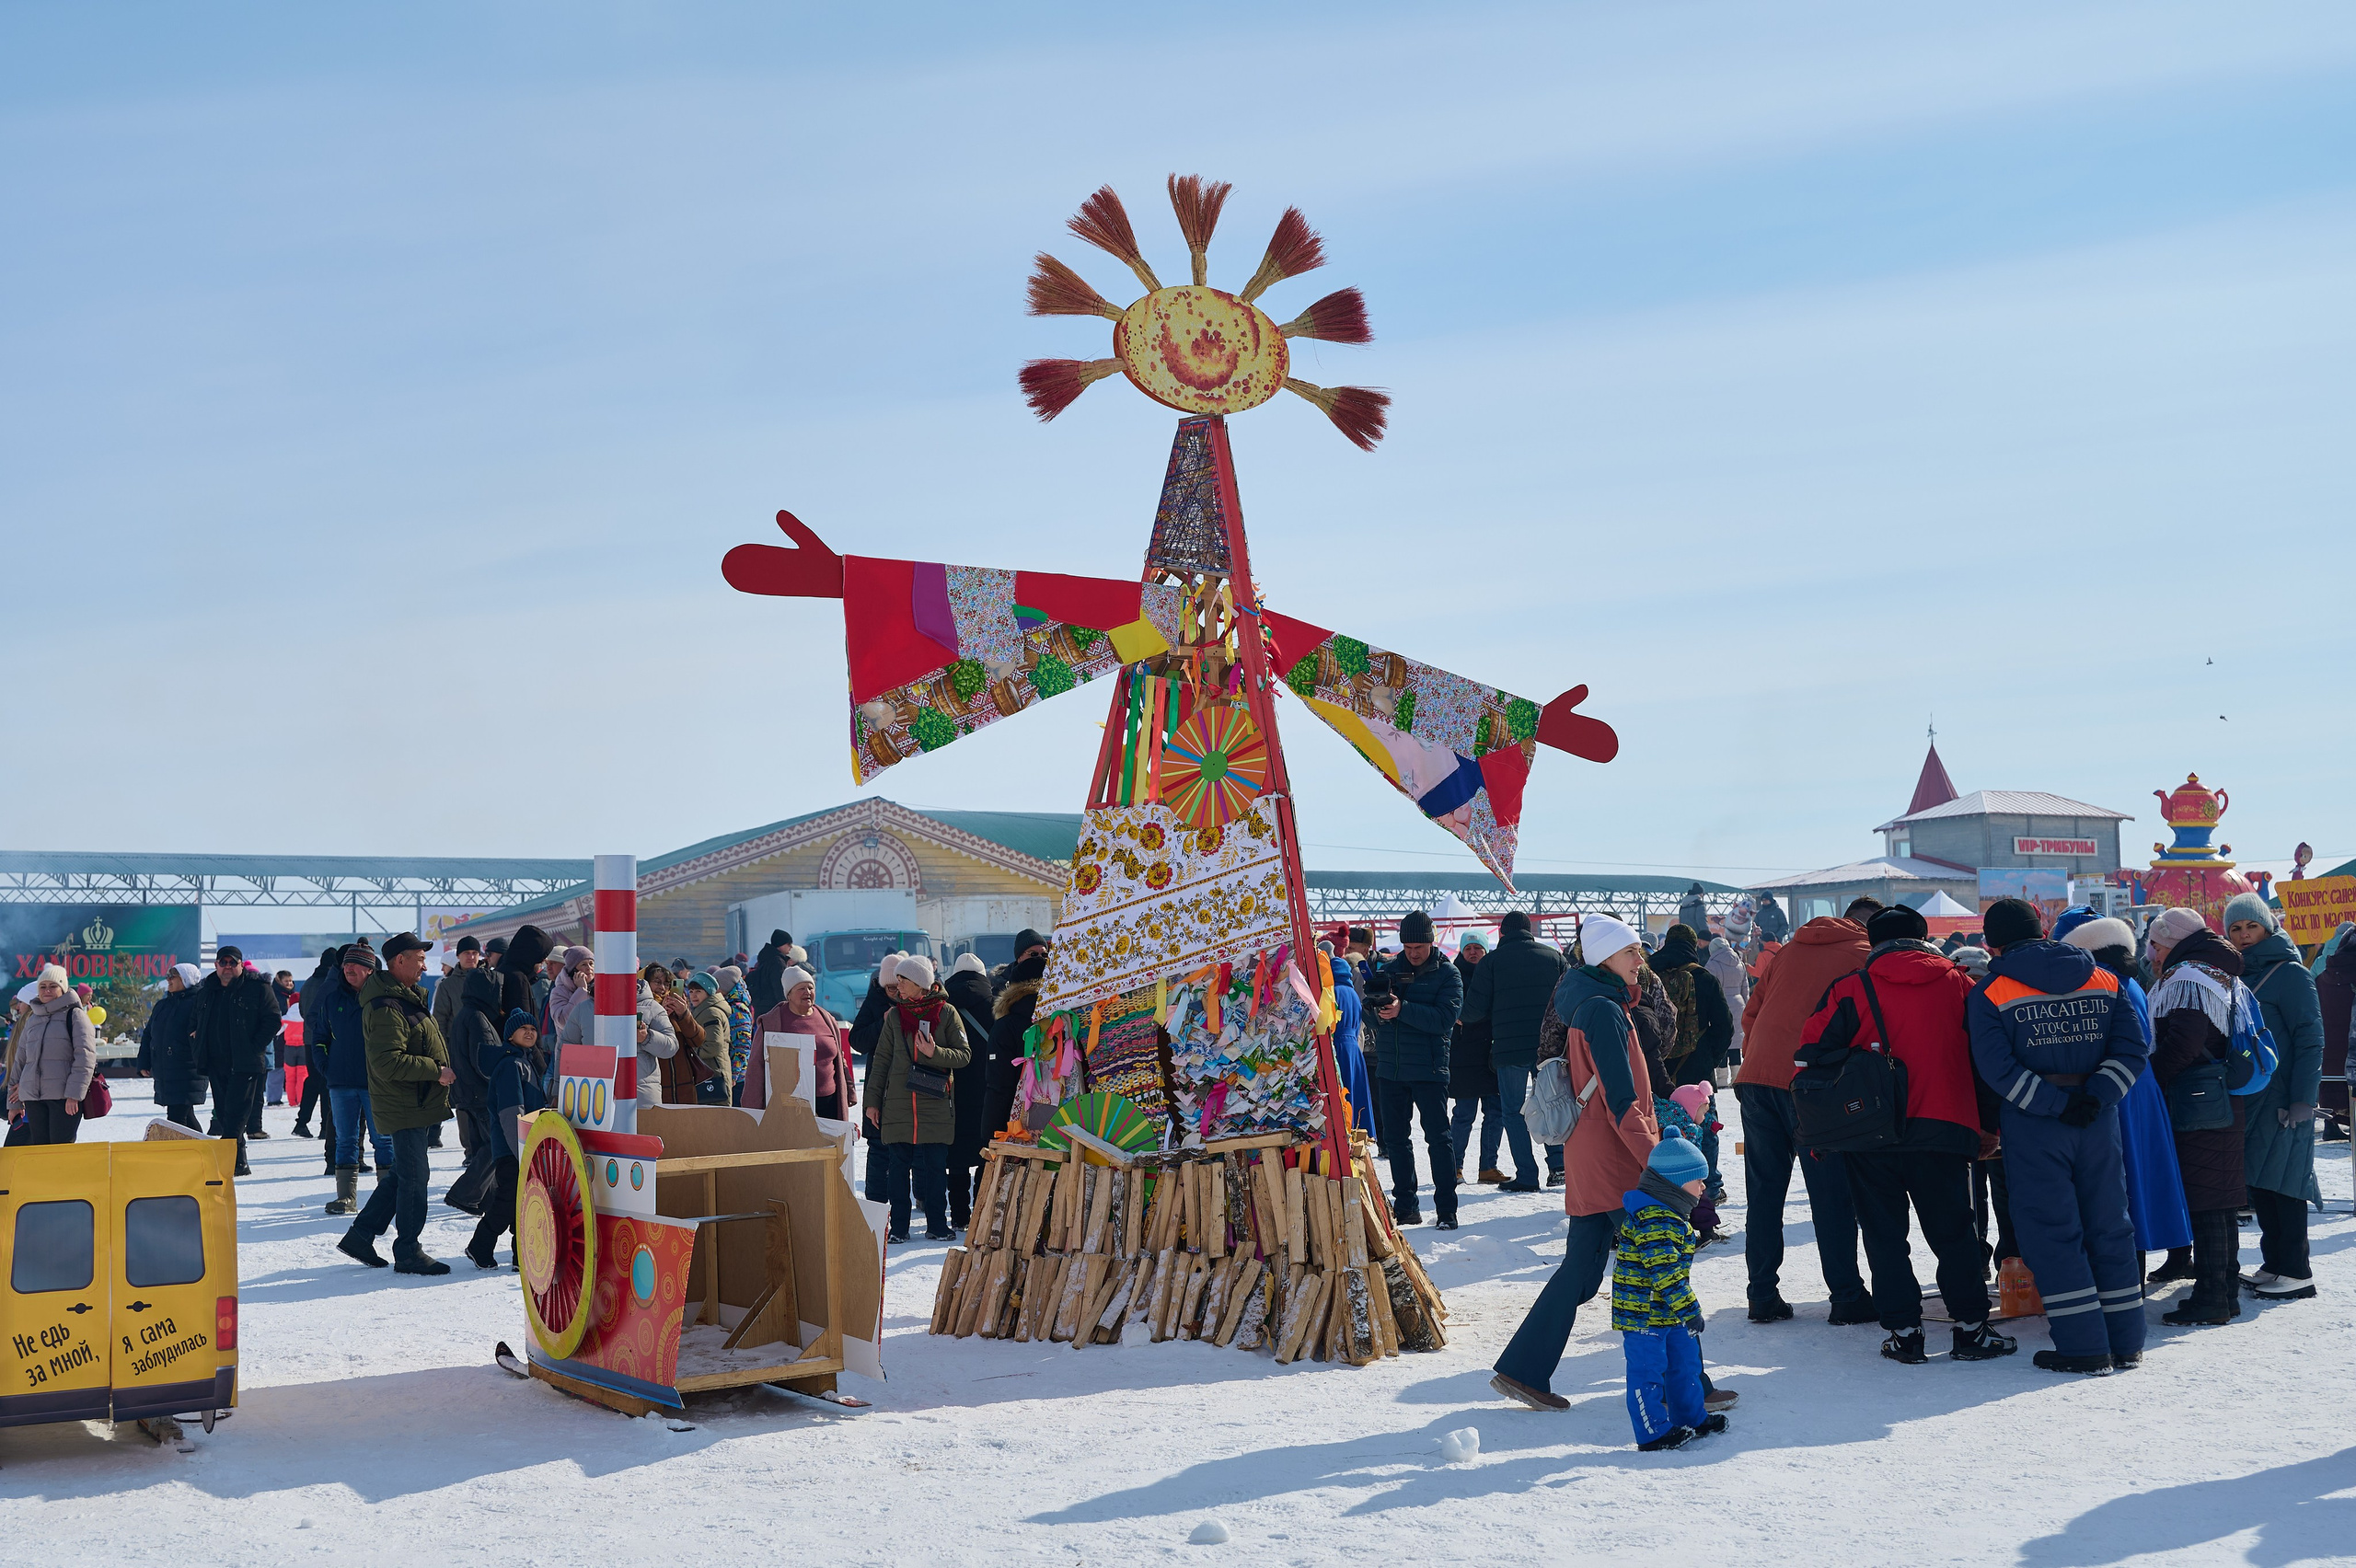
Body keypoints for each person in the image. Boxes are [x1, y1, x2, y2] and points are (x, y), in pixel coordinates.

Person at [1797, 904, 2015, 1366]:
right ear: (1924, 939)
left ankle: (1904, 1333)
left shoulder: (1850, 989)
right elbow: (1988, 1061)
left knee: (1883, 1234)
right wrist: (1988, 1126)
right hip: (1945, 1126)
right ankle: (1972, 1330)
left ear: (1873, 944)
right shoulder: (1962, 985)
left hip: (1870, 1131)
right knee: (1955, 1231)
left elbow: (1810, 1053)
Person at [1968, 896, 2150, 1371]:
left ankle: (2083, 1346)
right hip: (2097, 1119)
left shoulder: (1990, 992)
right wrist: (2096, 1096)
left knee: (2052, 1233)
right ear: (2043, 931)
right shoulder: (2104, 978)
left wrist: (2055, 1104)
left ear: (1992, 943)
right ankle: (2127, 1340)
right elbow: (2134, 1048)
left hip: (2036, 1124)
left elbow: (1997, 1069)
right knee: (2111, 1224)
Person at [1490, 915, 1663, 1410]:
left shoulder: (1587, 1002)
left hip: (1591, 1155)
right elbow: (1621, 1098)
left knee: (1580, 1273)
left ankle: (1523, 1370)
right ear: (1605, 956)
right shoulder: (1604, 1010)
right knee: (1657, 1267)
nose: (1639, 960)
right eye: (1630, 951)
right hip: (1617, 1160)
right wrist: (1656, 1158)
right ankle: (1686, 1380)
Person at [1734, 898, 1876, 1324]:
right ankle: (1847, 1296)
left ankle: (1761, 1294)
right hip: (1813, 1086)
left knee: (1764, 1192)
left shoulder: (1790, 949)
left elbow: (1751, 1015)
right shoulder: (1865, 956)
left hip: (1756, 1077)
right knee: (1831, 1194)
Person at [2053, 912, 2191, 1262]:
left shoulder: (2099, 981)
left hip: (2114, 1088)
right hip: (2140, 1088)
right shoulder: (2127, 978)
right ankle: (2161, 1258)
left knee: (2120, 1182)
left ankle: (2130, 1274)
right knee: (2144, 1176)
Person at [2142, 909, 2250, 1327]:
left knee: (2208, 1202)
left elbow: (2184, 1043)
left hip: (2197, 1098)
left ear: (2172, 940)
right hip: (2216, 1095)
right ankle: (2225, 1292)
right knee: (2219, 1199)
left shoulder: (2188, 977)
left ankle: (2211, 1298)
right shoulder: (2214, 969)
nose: (2151, 951)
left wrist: (2151, 1080)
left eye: (2155, 942)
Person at [2222, 892, 2323, 1301]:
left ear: (2268, 926)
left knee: (2287, 1181)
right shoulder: (2238, 973)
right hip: (2254, 1095)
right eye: (2236, 929)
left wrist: (2303, 1098)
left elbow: (2310, 1038)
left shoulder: (2291, 973)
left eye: (2251, 926)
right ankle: (2274, 1263)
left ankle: (2297, 1270)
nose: (2245, 935)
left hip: (2284, 1098)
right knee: (2262, 1179)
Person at [337, 932, 457, 1275]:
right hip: (404, 1104)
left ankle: (361, 1235)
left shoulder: (401, 998)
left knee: (405, 1173)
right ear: (398, 961)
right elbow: (388, 1061)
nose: (424, 965)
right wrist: (437, 1072)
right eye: (419, 958)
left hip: (411, 1102)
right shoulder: (387, 1005)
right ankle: (408, 1250)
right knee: (415, 1178)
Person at [1614, 1135, 1728, 1452]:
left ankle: (1691, 1416)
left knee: (1685, 1363)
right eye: (1698, 1180)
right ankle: (1652, 1432)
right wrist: (1690, 1309)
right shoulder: (1656, 1219)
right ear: (1675, 1183)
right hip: (1643, 1314)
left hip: (1668, 1311)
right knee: (1648, 1372)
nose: (1703, 1187)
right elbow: (1664, 1273)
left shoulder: (1671, 1215)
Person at [863, 955, 971, 1242]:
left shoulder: (947, 1014)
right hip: (898, 1105)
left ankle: (937, 1225)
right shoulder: (896, 1017)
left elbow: (964, 1055)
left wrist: (934, 1053)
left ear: (921, 984)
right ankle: (899, 1228)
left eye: (903, 981)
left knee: (935, 1169)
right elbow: (881, 1062)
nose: (898, 987)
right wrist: (872, 1102)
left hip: (934, 1103)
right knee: (897, 1171)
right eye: (897, 981)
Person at [1370, 911, 1463, 1229]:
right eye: (1408, 946)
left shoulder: (1448, 975)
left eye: (1419, 946)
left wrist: (1402, 1009)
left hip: (1429, 1069)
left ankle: (1447, 1211)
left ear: (1431, 941)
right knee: (1396, 1140)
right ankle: (1406, 1206)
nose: (1413, 953)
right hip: (1391, 1069)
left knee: (1439, 1139)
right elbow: (1372, 1018)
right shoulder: (1388, 970)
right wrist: (1378, 1011)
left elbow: (1443, 1020)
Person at [1461, 910, 1565, 1193]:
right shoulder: (1554, 957)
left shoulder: (1492, 961)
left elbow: (1475, 1008)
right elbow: (1568, 1000)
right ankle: (1559, 1167)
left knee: (1513, 1111)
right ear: (1529, 931)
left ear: (1502, 934)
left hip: (1509, 1049)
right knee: (1552, 1105)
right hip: (1549, 1048)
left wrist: (1456, 1016)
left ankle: (1527, 1175)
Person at [188, 946, 284, 1177]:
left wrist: (254, 1046)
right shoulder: (207, 989)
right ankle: (237, 1162)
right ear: (216, 965)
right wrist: (196, 1037)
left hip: (245, 1062)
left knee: (237, 1111)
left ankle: (233, 1160)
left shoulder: (258, 987)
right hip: (214, 1062)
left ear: (241, 965)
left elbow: (273, 1020)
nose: (228, 967)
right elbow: (194, 1020)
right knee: (222, 1112)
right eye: (224, 963)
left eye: (233, 963)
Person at [314, 940, 391, 1214]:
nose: (349, 968)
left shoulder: (384, 998)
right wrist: (326, 1065)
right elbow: (320, 1036)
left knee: (383, 1139)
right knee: (345, 1139)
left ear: (370, 969)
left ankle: (387, 1197)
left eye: (356, 964)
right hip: (341, 1083)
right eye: (346, 964)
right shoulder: (333, 998)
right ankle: (346, 1197)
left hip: (377, 1082)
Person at [467, 1009, 547, 1269]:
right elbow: (512, 1112)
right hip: (514, 1148)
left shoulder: (526, 1062)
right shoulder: (511, 1065)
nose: (529, 1032)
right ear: (509, 1035)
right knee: (509, 1200)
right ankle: (480, 1245)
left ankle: (519, 1256)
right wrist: (521, 1150)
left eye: (533, 1029)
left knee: (522, 1201)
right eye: (523, 1028)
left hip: (526, 1146)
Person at [558, 960, 677, 1117]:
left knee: (640, 1140)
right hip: (594, 1097)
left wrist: (647, 1037)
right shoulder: (583, 1009)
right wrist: (559, 1090)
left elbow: (671, 1047)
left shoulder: (651, 1007)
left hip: (641, 1098)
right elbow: (566, 1050)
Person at [441, 966, 507, 1216]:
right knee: (495, 1145)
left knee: (482, 1147)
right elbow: (486, 1061)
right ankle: (464, 1194)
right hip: (481, 1094)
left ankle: (482, 1200)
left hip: (467, 1093)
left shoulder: (465, 1014)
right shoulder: (478, 1018)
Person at [5, 966, 97, 1145]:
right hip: (33, 1099)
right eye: (43, 986)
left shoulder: (75, 1015)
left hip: (63, 1099)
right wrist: (14, 1104)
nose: (47, 990)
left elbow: (85, 1059)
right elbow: (20, 1061)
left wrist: (74, 1095)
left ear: (62, 989)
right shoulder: (33, 1019)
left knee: (60, 1153)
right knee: (39, 1152)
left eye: (52, 986)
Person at [750, 966, 851, 1116]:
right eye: (801, 988)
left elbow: (839, 1058)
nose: (807, 992)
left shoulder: (827, 1019)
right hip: (790, 1105)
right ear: (788, 994)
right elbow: (755, 1066)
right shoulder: (772, 1023)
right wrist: (752, 1109)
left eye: (810, 987)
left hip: (829, 1102)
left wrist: (849, 1088)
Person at [942, 954, 996, 1228]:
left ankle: (960, 1216)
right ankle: (980, 1214)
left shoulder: (944, 1006)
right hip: (989, 1089)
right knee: (986, 1151)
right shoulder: (995, 1003)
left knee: (957, 1159)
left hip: (953, 1091)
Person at [982, 934, 1049, 1144]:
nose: (1040, 958)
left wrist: (990, 1134)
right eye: (1033, 954)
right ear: (1019, 957)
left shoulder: (1006, 1024)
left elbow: (999, 1085)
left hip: (1015, 1128)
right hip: (1058, 1124)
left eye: (1044, 954)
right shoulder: (1062, 1018)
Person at [1448, 934, 1504, 1184]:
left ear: (1486, 950)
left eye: (1477, 948)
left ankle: (1488, 1167)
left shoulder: (1495, 973)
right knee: (1464, 1114)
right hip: (1464, 1055)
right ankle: (1454, 1166)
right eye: (1468, 948)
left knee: (1495, 1112)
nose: (1473, 952)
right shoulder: (1453, 974)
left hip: (1491, 1054)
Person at [137, 963, 208, 1131]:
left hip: (187, 1070)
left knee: (176, 1120)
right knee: (185, 1116)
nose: (168, 980)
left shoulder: (198, 1003)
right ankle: (204, 1152)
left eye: (173, 976)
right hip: (166, 1071)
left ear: (186, 979)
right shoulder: (163, 1005)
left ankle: (186, 1155)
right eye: (168, 976)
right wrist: (144, 1062)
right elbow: (149, 1035)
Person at [293, 945, 341, 1147]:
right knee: (327, 1084)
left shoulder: (309, 983)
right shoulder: (332, 984)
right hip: (327, 1039)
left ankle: (302, 1122)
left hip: (308, 1038)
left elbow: (303, 1010)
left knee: (314, 1081)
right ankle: (324, 1126)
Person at [684, 972, 736, 1105]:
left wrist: (689, 1054)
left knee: (716, 1121)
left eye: (698, 991)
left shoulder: (711, 1013)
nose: (693, 995)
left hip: (714, 1075)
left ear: (708, 992)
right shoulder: (703, 1010)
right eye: (691, 991)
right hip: (711, 1073)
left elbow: (713, 1046)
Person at [433, 935, 484, 1040]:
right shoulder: (447, 986)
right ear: (458, 956)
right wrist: (445, 1049)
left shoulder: (491, 980)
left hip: (485, 1044)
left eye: (474, 953)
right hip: (457, 1045)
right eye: (466, 953)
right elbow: (440, 1020)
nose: (471, 957)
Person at [718, 964, 756, 1102]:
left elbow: (743, 1044)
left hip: (738, 1078)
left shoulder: (737, 1009)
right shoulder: (728, 1005)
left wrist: (734, 1075)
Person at [749, 929, 793, 1020]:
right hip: (774, 1009)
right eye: (788, 944)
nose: (791, 947)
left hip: (762, 1008)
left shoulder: (765, 959)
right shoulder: (777, 962)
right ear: (780, 944)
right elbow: (780, 988)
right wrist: (786, 1010)